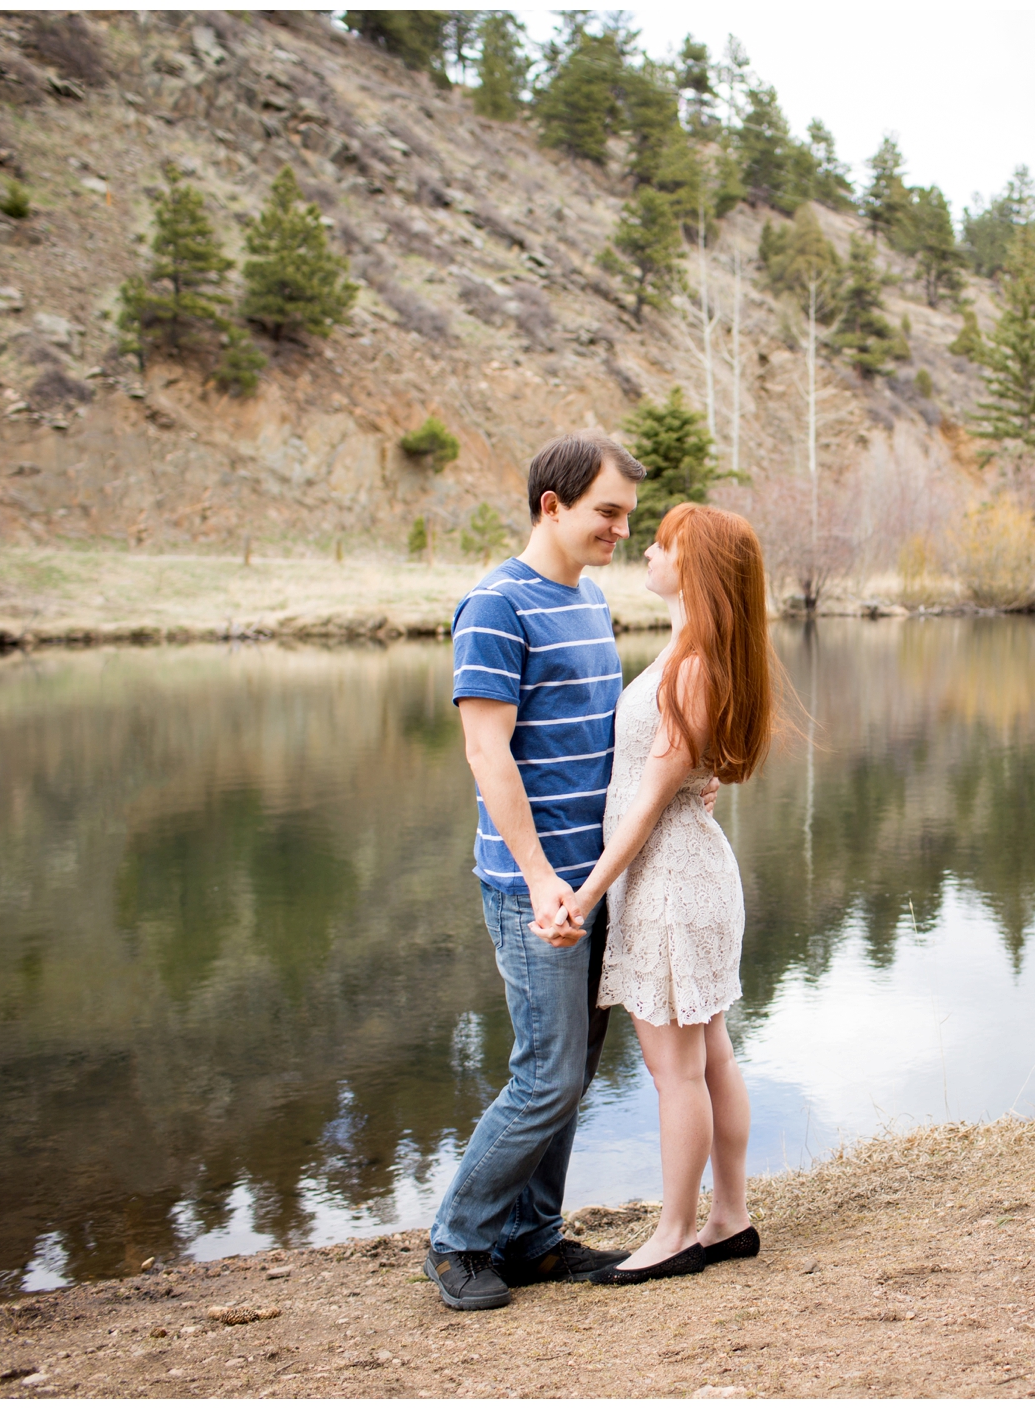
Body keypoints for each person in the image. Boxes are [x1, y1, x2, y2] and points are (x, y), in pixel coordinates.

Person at [423, 432, 718, 1312]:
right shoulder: (494, 606)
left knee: (573, 1072)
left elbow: (610, 743)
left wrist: (689, 783)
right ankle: (458, 1239)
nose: (622, 531)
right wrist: (541, 874)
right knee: (548, 1072)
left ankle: (531, 1238)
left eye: (628, 515)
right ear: (551, 505)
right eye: (608, 513)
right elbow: (488, 752)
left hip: (597, 882)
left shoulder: (587, 602)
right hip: (534, 886)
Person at [548, 502, 783, 1286]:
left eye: (662, 543)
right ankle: (730, 1216)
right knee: (709, 1050)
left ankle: (677, 1231)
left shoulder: (691, 664)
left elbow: (648, 801)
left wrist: (583, 895)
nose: (645, 551)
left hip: (671, 880)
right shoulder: (701, 653)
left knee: (676, 1067)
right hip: (691, 870)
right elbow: (682, 776)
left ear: (695, 567)